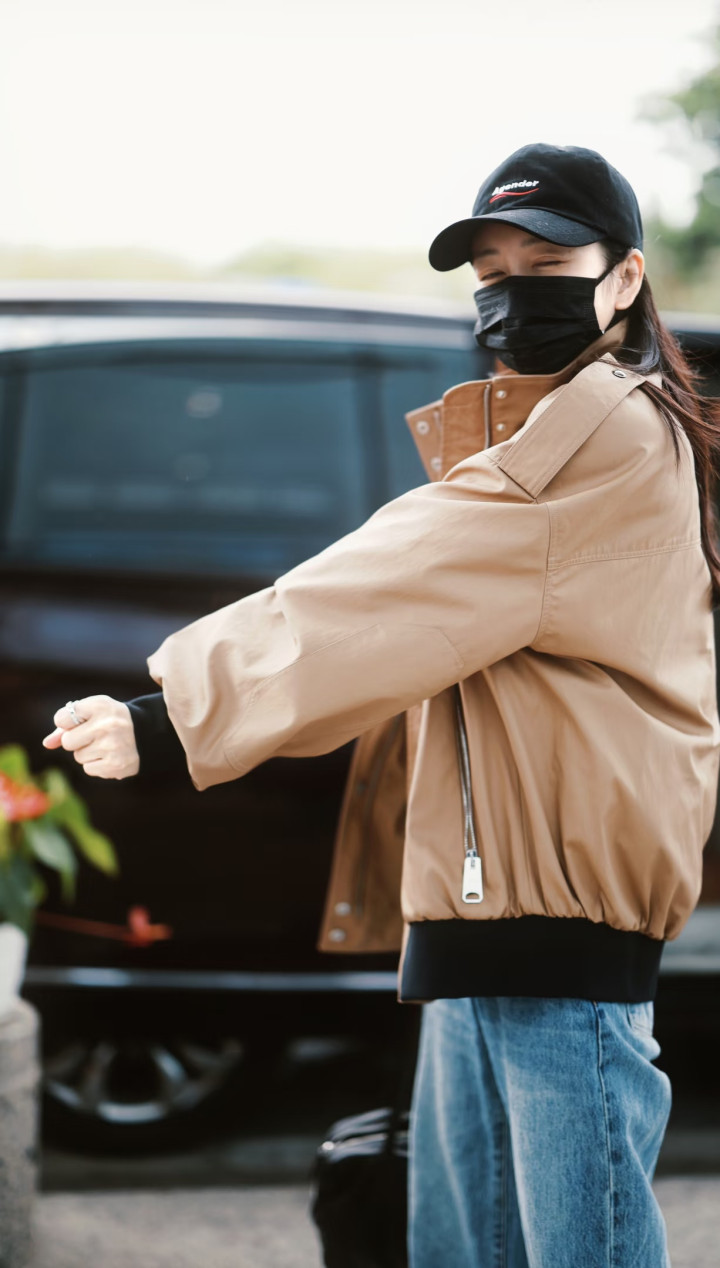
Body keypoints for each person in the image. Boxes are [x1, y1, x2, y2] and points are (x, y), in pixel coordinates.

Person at [42, 143, 720, 1267]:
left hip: (555, 914)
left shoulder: (599, 436)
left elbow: (391, 584)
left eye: (547, 262)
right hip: (494, 903)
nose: (512, 292)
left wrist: (174, 712)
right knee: (463, 1246)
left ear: (626, 277)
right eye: (492, 271)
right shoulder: (555, 424)